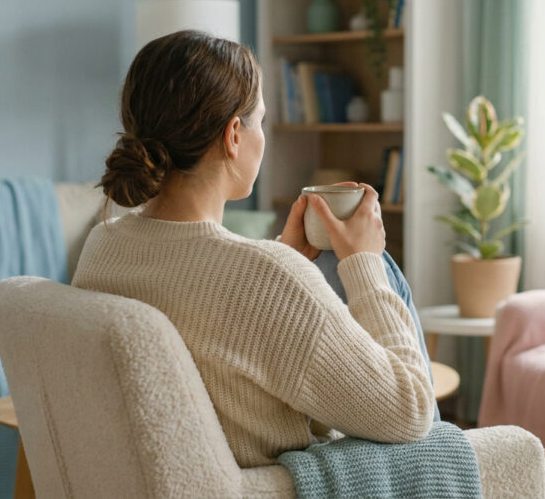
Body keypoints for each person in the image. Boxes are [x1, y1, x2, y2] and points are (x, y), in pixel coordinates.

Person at [71, 30, 436, 469]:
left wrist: (282, 255)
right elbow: (411, 412)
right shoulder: (267, 278)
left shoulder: (103, 243)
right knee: (387, 274)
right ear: (233, 136)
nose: (263, 135)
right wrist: (365, 264)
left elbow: (210, 302)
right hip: (266, 484)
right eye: (259, 121)